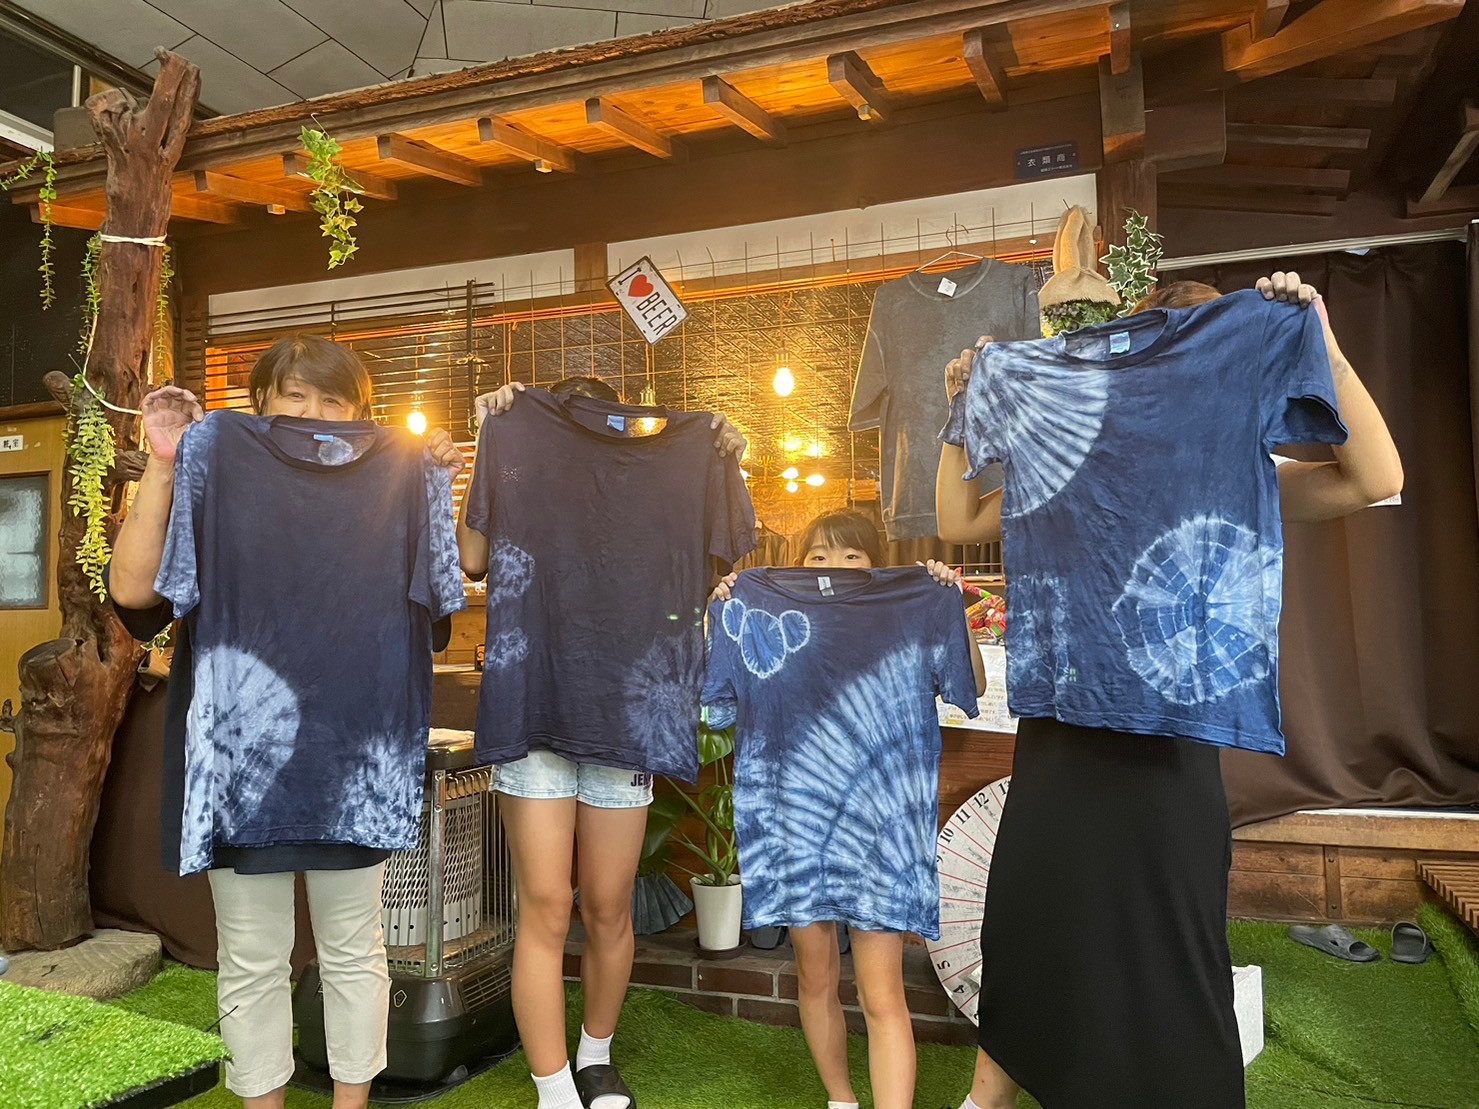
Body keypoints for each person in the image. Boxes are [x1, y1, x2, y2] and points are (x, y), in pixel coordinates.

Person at [936, 272, 1404, 1109]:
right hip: (1062, 736)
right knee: (1029, 926)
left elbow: (1373, 477)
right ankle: (990, 1093)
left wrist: (1318, 339)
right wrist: (958, 412)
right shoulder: (1076, 470)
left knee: (1169, 950)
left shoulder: (1239, 473)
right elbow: (958, 522)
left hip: (1169, 749)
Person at [109, 336, 466, 1109]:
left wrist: (431, 481)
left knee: (353, 950)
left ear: (362, 413)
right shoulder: (220, 463)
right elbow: (135, 594)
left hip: (354, 757)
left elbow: (439, 605)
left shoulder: (398, 473)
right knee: (250, 955)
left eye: (333, 401)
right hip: (241, 760)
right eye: (294, 396)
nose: (312, 413)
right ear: (261, 404)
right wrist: (166, 463)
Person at [458, 374, 747, 1109]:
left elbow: (729, 557)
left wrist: (723, 456)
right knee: (546, 905)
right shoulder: (517, 441)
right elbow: (472, 558)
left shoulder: (678, 458)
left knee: (611, 906)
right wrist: (491, 433)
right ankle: (552, 1085)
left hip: (629, 716)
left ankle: (594, 1058)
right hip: (536, 707)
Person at [709, 510, 987, 1109]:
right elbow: (716, 699)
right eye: (818, 556)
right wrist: (725, 609)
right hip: (794, 819)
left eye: (851, 555)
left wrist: (949, 603)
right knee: (815, 977)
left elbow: (974, 686)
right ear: (798, 563)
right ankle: (841, 1100)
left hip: (880, 825)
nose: (832, 567)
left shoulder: (908, 606)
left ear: (876, 564)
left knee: (881, 992)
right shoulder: (759, 610)